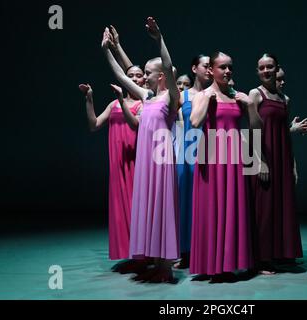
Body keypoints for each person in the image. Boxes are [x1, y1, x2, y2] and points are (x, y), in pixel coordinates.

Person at [102, 17, 180, 283]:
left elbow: (169, 66)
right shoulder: (146, 97)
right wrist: (107, 50)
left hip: (161, 159)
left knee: (164, 208)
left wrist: (160, 39)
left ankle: (167, 267)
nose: (143, 76)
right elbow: (122, 76)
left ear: (160, 76)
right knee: (150, 209)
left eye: (148, 72)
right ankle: (157, 263)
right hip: (146, 161)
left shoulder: (171, 96)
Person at [190, 52, 254, 283]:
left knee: (232, 208)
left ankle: (230, 263)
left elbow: (256, 126)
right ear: (211, 71)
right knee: (212, 208)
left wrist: (250, 105)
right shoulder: (203, 95)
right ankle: (211, 264)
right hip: (212, 159)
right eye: (222, 67)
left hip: (234, 160)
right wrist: (208, 99)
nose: (227, 71)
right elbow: (195, 122)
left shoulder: (239, 96)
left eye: (230, 68)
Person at [248, 53, 307, 275]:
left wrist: (293, 164)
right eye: (262, 67)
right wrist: (260, 162)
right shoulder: (255, 95)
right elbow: (252, 132)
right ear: (258, 71)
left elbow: (283, 134)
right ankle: (261, 260)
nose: (266, 70)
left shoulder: (285, 100)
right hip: (261, 157)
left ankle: (282, 253)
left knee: (282, 206)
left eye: (270, 67)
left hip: (282, 158)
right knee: (263, 209)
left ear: (277, 69)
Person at [78, 61, 143, 265]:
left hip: (137, 160)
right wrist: (89, 99)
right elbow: (94, 125)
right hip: (118, 162)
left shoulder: (145, 103)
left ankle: (144, 253)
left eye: (138, 75)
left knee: (137, 208)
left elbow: (139, 127)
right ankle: (129, 253)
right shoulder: (113, 104)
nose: (134, 79)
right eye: (130, 75)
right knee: (121, 208)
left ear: (144, 80)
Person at [173, 55, 211, 269]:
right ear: (195, 68)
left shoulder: (216, 93)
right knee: (186, 204)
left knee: (207, 205)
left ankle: (206, 251)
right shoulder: (183, 96)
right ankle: (186, 253)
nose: (208, 69)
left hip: (212, 155)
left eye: (210, 66)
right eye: (205, 65)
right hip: (187, 156)